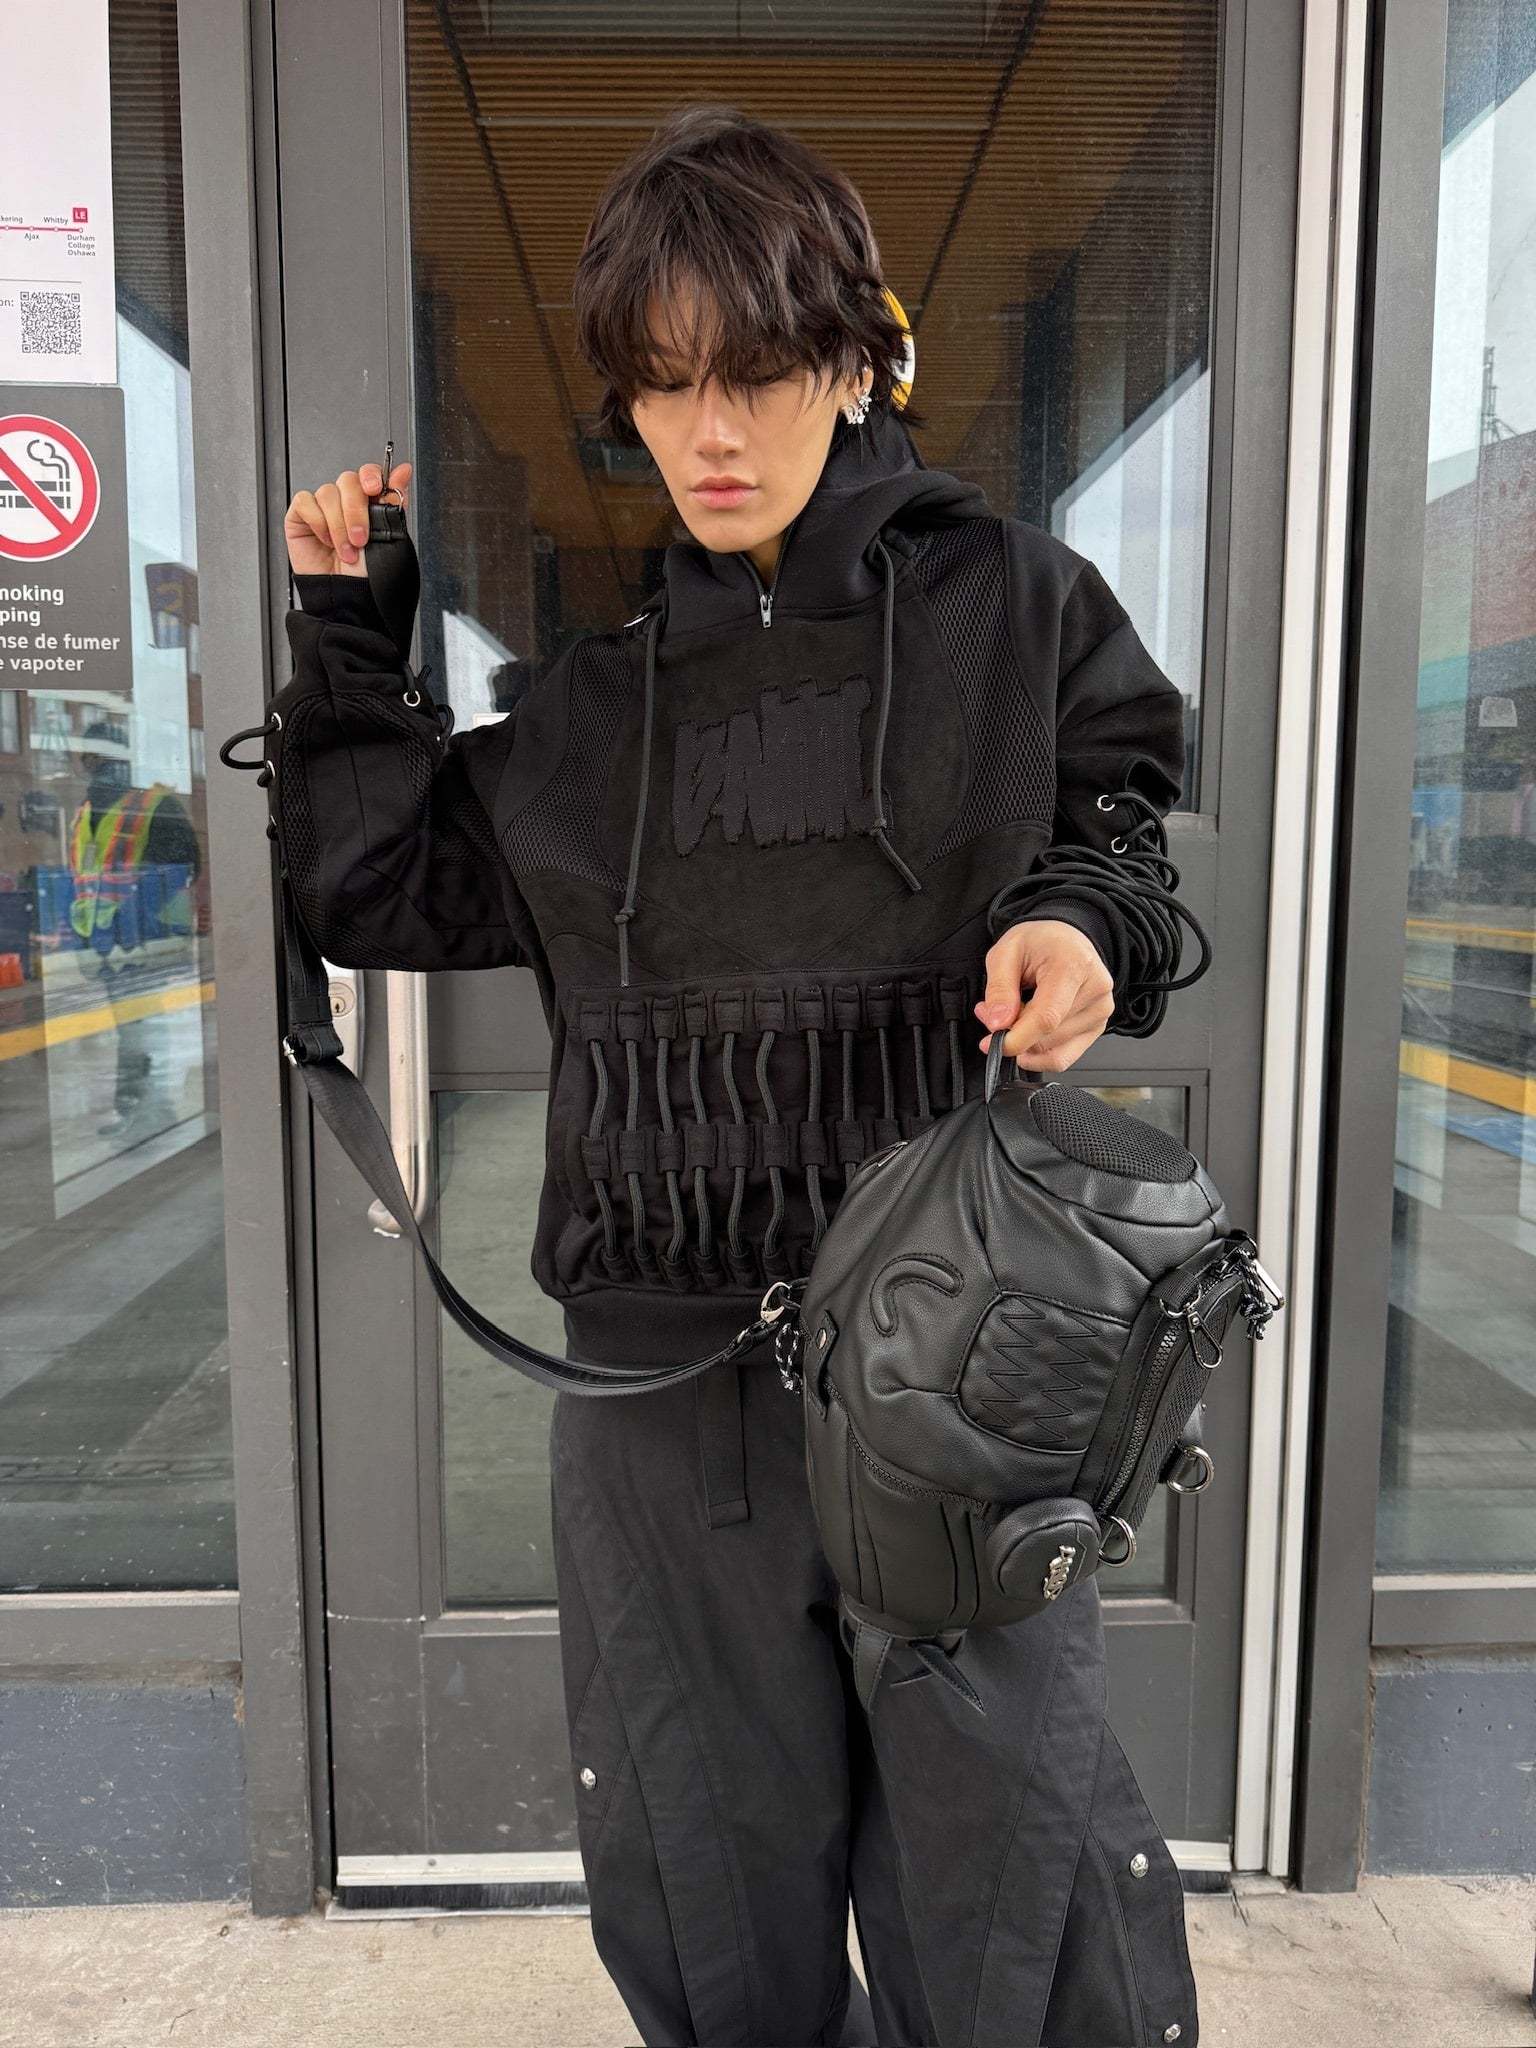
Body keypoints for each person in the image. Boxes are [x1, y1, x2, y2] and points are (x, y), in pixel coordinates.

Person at [269, 103, 1199, 2048]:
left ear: (856, 364)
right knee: (708, 1887)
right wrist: (352, 640)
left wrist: (1082, 932)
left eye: (757, 373)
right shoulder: (592, 713)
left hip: (959, 1348)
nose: (709, 431)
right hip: (662, 1379)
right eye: (664, 381)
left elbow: (1119, 824)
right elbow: (377, 883)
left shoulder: (1015, 609)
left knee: (1002, 1890)